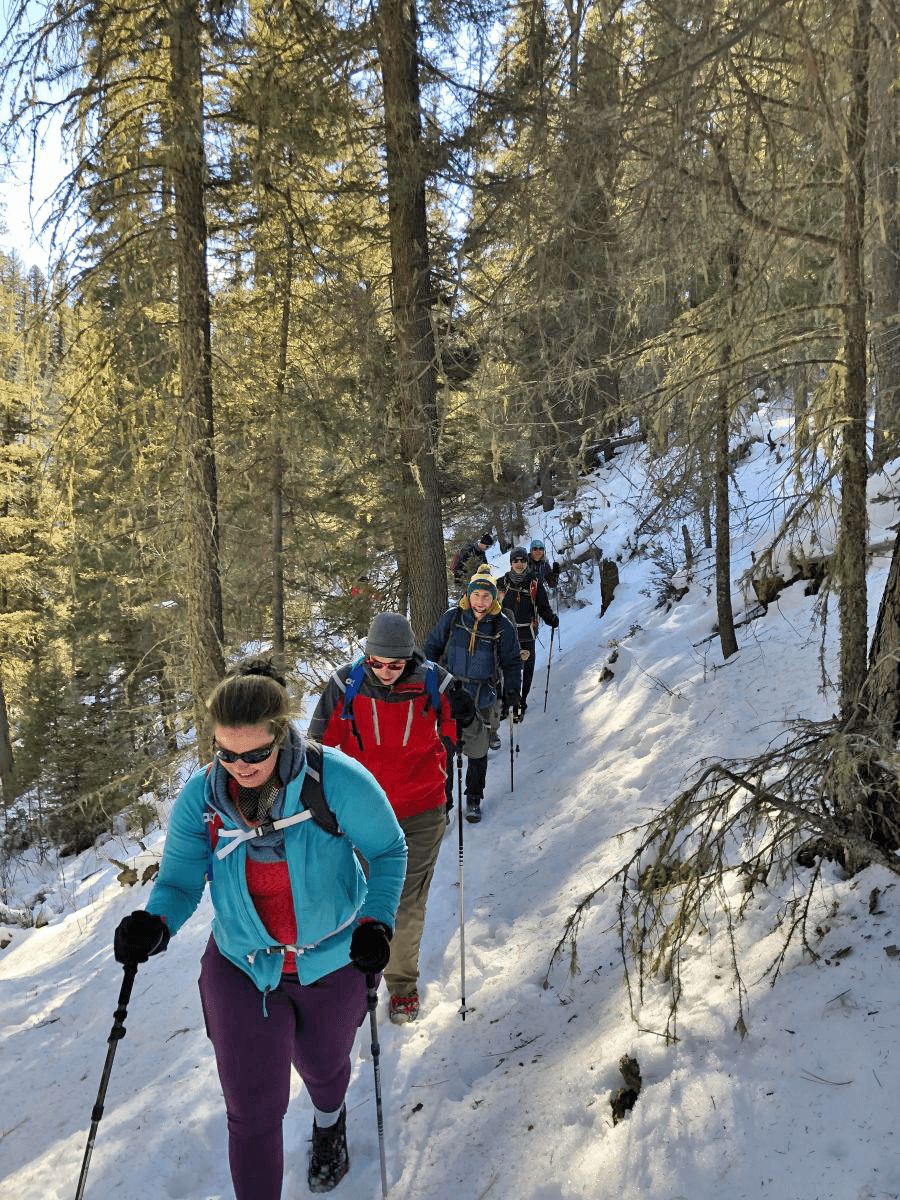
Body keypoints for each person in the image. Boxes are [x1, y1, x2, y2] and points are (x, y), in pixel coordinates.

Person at [112, 660, 407, 1198]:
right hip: (242, 967)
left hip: (334, 959)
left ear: (281, 734)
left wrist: (376, 922)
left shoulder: (334, 780)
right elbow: (179, 882)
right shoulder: (202, 799)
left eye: (254, 754)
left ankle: (328, 1122)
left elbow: (388, 850)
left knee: (324, 1069)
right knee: (250, 1114)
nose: (239, 766)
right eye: (225, 753)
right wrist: (154, 925)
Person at [307, 612, 476, 1025]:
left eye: (395, 664)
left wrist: (467, 716)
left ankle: (401, 986)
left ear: (411, 659)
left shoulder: (436, 683)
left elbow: (467, 741)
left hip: (421, 810)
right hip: (361, 814)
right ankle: (351, 981)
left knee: (405, 902)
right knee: (357, 900)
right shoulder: (345, 685)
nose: (385, 671)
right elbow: (315, 752)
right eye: (377, 662)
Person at [423, 572, 522, 823]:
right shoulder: (453, 617)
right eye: (476, 594)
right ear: (468, 594)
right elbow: (431, 649)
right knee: (443, 752)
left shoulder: (502, 625)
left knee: (478, 753)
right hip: (449, 695)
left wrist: (512, 691)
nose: (480, 601)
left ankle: (474, 797)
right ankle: (443, 804)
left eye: (486, 596)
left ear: (493, 599)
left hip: (482, 697)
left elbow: (511, 663)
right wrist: (428, 683)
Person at [500, 547, 559, 714]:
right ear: (511, 562)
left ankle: (521, 702)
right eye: (515, 560)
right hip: (505, 634)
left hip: (527, 633)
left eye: (522, 561)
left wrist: (550, 618)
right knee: (505, 669)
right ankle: (506, 702)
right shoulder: (502, 583)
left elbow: (543, 607)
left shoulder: (534, 583)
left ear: (527, 562)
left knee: (526, 670)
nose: (519, 564)